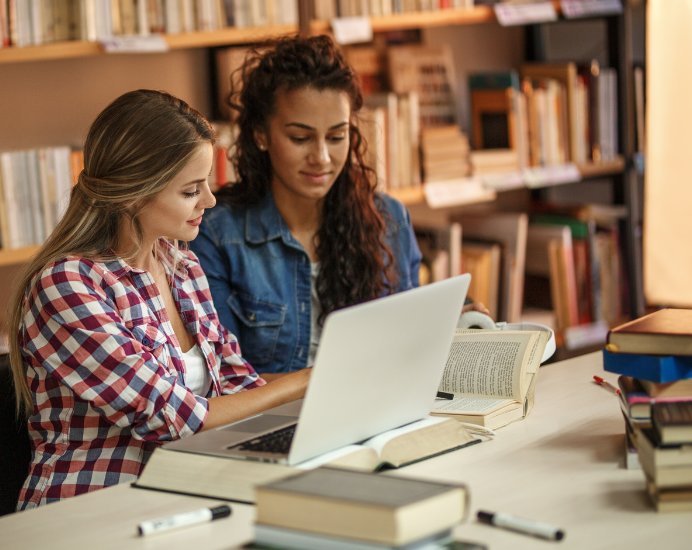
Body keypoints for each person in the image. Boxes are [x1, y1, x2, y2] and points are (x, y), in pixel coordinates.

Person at [6, 89, 310, 510]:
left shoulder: (180, 266)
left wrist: (325, 381)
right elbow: (171, 417)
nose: (210, 201)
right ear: (133, 193)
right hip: (92, 511)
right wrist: (302, 382)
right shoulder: (66, 285)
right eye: (190, 190)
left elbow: (239, 386)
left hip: (183, 494)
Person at [190, 35, 487, 379]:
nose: (322, 158)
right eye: (300, 138)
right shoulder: (216, 234)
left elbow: (406, 341)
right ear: (261, 134)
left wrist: (454, 327)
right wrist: (326, 383)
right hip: (276, 422)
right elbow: (226, 379)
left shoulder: (387, 220)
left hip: (377, 410)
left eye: (336, 136)